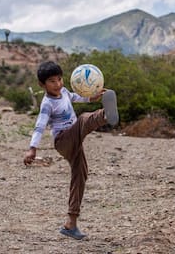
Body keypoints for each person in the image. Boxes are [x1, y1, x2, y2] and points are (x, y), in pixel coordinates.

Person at [23, 61, 119, 240]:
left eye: (59, 79)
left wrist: (93, 97)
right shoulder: (47, 104)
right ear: (42, 85)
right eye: (52, 81)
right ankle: (104, 115)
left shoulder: (64, 92)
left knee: (80, 175)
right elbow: (39, 126)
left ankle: (70, 223)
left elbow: (77, 97)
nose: (58, 84)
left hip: (74, 140)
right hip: (63, 141)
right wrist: (32, 149)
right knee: (83, 119)